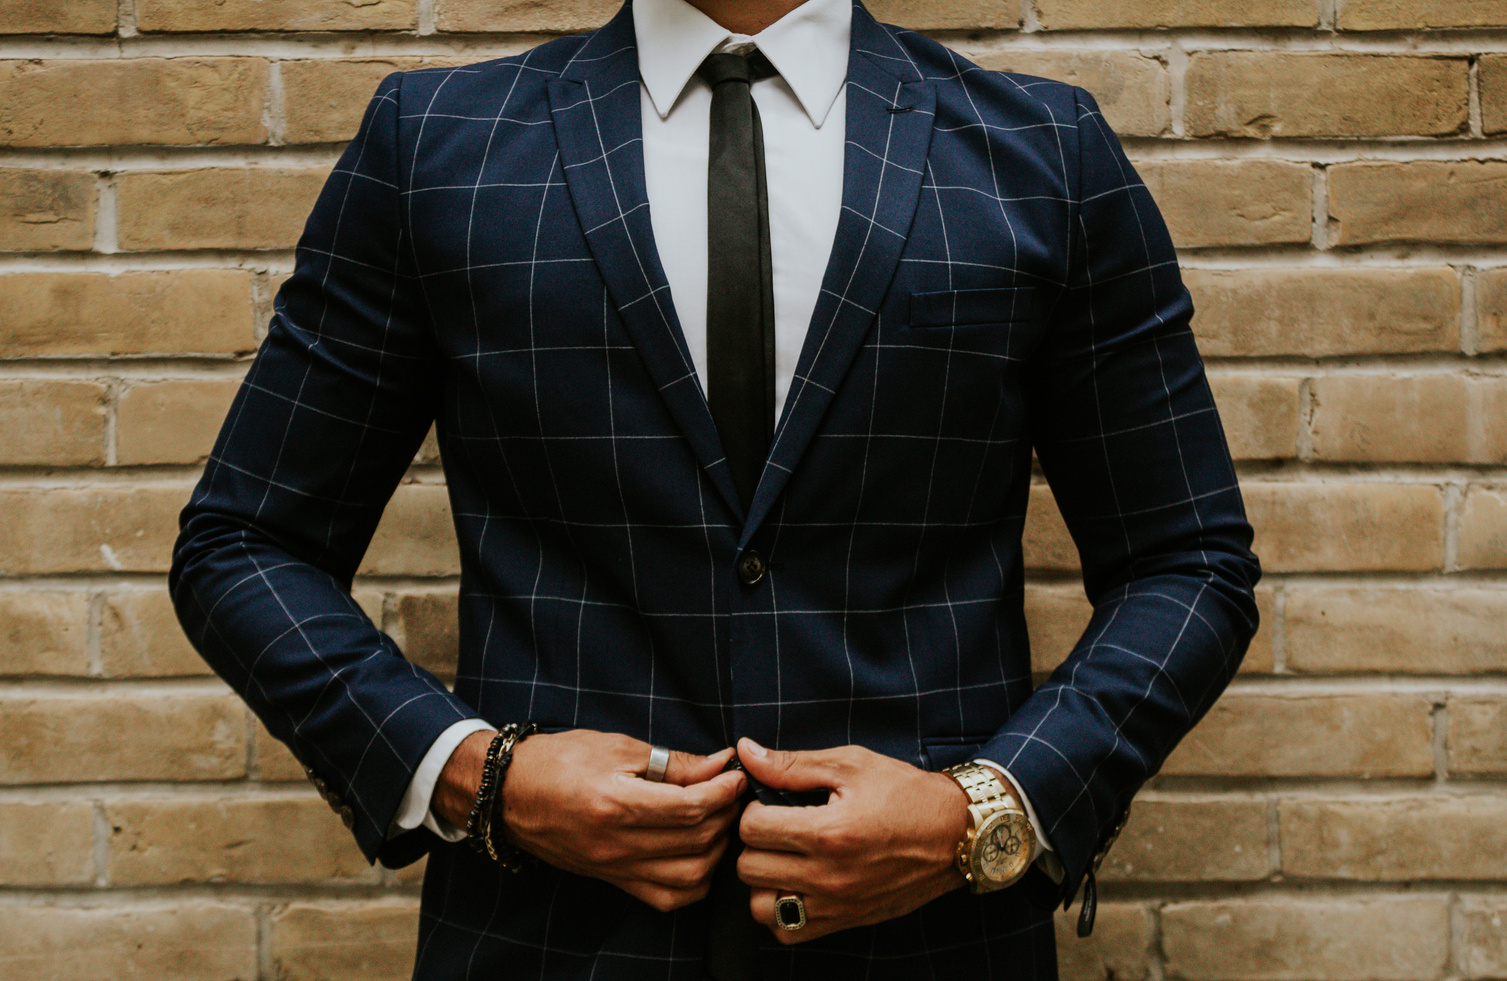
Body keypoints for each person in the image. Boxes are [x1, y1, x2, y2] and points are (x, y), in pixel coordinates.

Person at [169, 0, 1261, 977]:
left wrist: (977, 810)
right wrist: (474, 773)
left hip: (930, 948)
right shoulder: (441, 146)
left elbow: (1187, 562)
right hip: (549, 940)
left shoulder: (1041, 153)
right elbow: (245, 542)